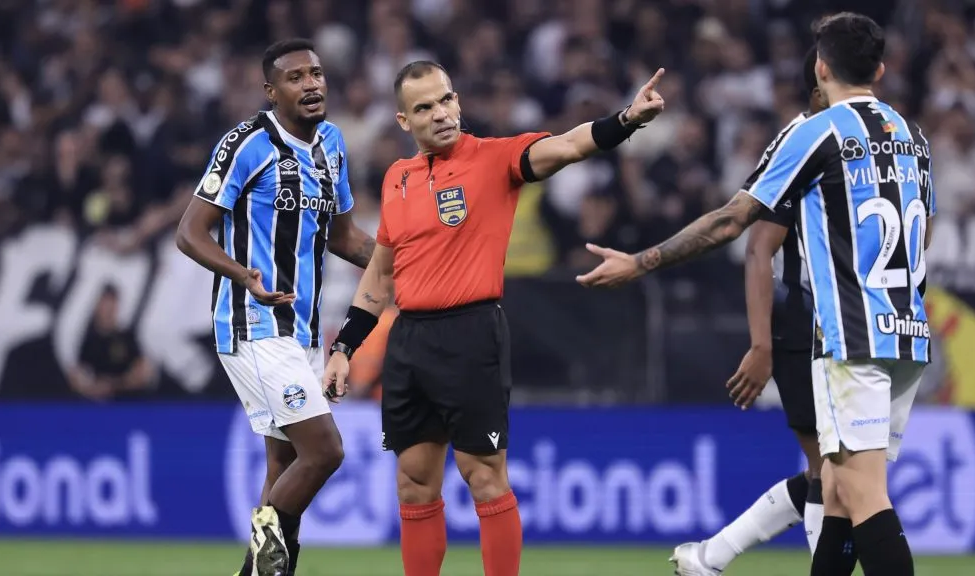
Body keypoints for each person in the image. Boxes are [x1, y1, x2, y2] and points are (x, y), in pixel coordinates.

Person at [576, 13, 933, 576]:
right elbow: (925, 235)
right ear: (881, 70)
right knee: (836, 489)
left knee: (864, 495)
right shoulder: (912, 137)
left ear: (821, 66)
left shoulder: (815, 132)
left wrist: (642, 262)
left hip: (851, 336)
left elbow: (730, 222)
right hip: (907, 334)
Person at [322, 60, 665, 576]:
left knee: (483, 475)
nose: (440, 114)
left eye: (446, 100)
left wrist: (627, 119)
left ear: (457, 100)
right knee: (413, 480)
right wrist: (345, 348)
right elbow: (378, 277)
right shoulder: (398, 179)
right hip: (410, 340)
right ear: (402, 122)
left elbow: (569, 146)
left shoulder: (493, 159)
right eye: (424, 107)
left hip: (472, 333)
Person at [175, 38, 376, 576]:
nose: (311, 84)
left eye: (316, 73)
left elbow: (345, 237)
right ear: (271, 91)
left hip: (303, 330)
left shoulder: (332, 144)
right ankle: (261, 549)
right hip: (252, 322)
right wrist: (245, 277)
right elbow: (189, 233)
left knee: (285, 462)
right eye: (295, 77)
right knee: (326, 451)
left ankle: (265, 572)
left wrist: (405, 262)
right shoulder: (247, 143)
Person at [669, 45, 829, 576]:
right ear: (821, 83)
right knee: (832, 473)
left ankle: (710, 557)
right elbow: (758, 246)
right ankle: (713, 558)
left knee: (832, 474)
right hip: (805, 325)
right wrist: (762, 345)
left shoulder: (875, 140)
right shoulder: (804, 141)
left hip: (852, 329)